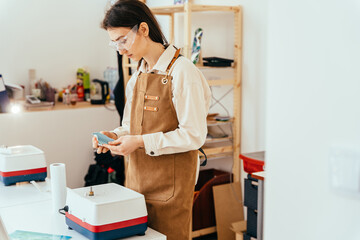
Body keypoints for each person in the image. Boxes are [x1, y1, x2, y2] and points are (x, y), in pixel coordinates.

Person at [93, 0, 211, 239]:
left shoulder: (183, 72)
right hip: (136, 185)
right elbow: (130, 126)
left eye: (123, 40)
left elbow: (194, 135)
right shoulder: (137, 76)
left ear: (144, 30)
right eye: (114, 43)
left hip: (172, 191)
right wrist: (115, 135)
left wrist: (140, 142)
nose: (120, 49)